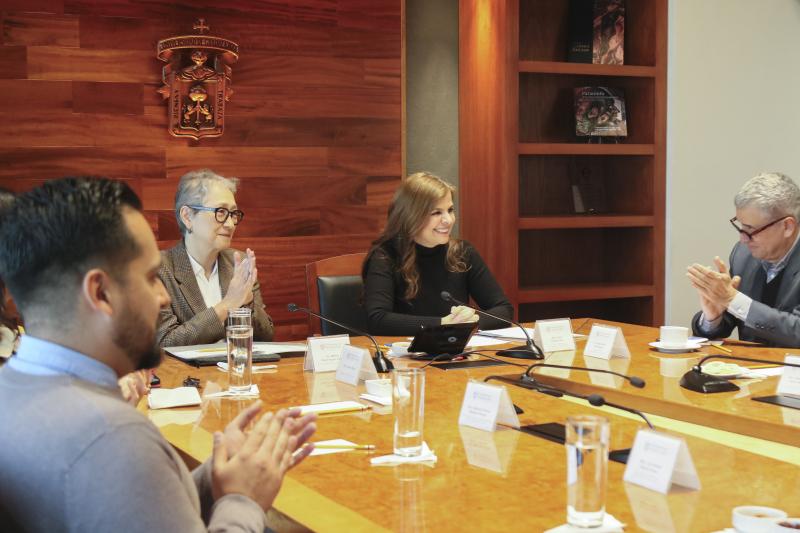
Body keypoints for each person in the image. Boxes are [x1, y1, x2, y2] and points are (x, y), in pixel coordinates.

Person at [0, 177, 316, 531]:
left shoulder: (10, 391)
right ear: (101, 293)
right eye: (151, 278)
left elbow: (141, 510)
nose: (163, 298)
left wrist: (215, 475)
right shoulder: (116, 437)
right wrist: (243, 499)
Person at [362, 172, 514, 336]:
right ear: (410, 216)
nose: (448, 220)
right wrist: (442, 324)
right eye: (436, 213)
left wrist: (472, 321)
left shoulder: (462, 252)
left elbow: (504, 309)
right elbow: (377, 319)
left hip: (455, 349)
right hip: (405, 351)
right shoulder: (385, 256)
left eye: (450, 210)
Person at [157, 169, 274, 347]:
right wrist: (227, 305)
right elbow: (165, 343)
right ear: (187, 216)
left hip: (237, 364)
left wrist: (248, 302)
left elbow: (266, 338)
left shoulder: (238, 264)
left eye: (233, 214)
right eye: (220, 212)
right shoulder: (159, 269)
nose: (230, 224)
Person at [688, 172, 800, 346]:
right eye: (740, 226)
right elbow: (736, 315)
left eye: (750, 229)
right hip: (749, 363)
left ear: (787, 227)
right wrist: (714, 317)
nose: (743, 239)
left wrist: (732, 299)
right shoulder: (743, 255)